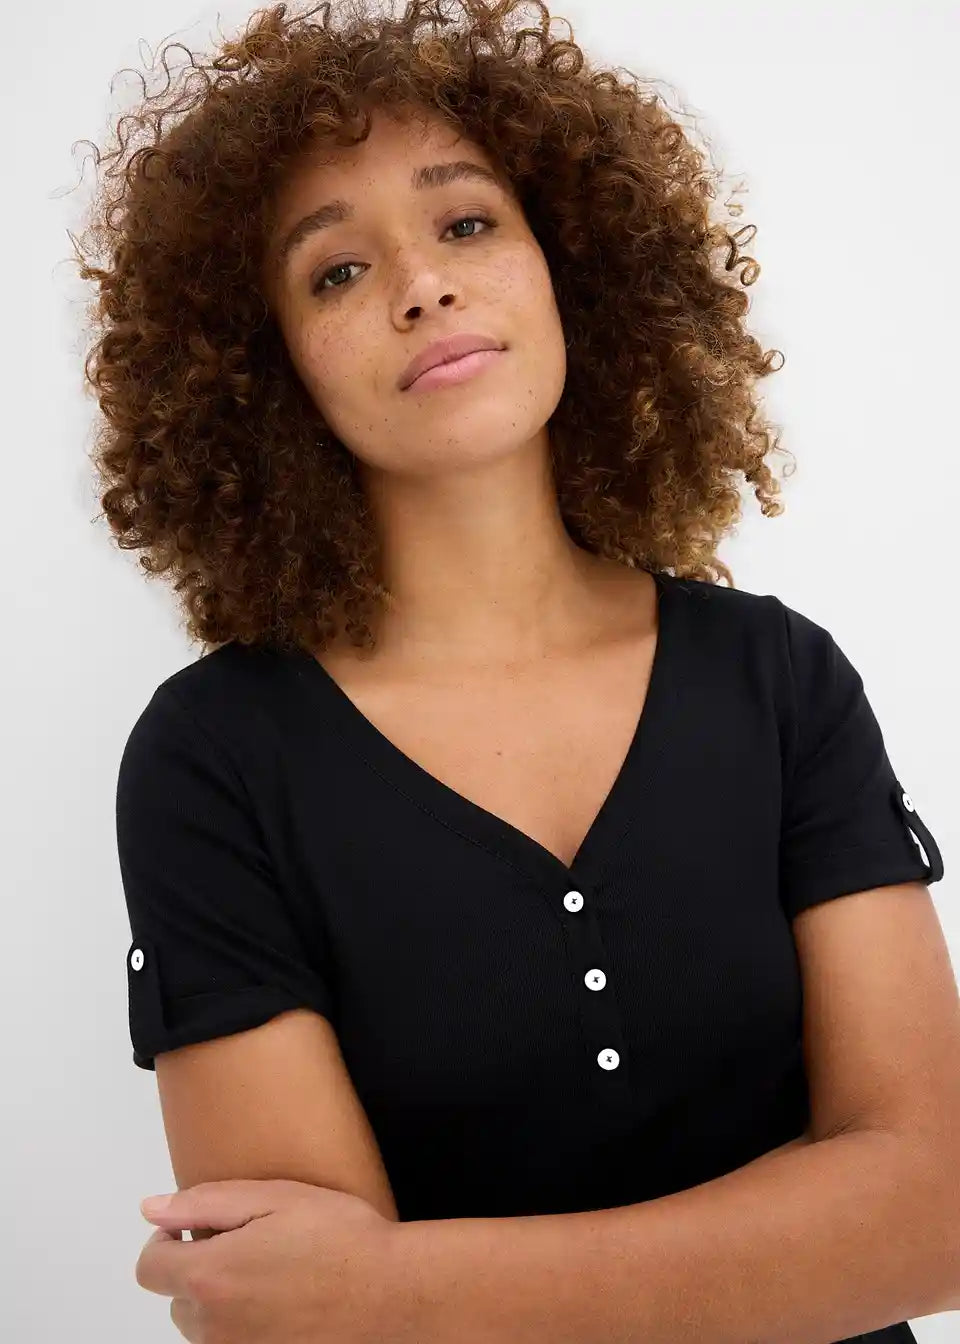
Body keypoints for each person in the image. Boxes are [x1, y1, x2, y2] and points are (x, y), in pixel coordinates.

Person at [75, 3, 948, 1341]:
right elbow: (294, 1326)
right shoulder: (214, 760)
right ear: (263, 366)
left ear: (569, 269)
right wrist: (805, 1245)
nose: (421, 286)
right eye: (335, 272)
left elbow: (934, 1219)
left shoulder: (781, 680)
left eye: (468, 223)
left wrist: (393, 1289)